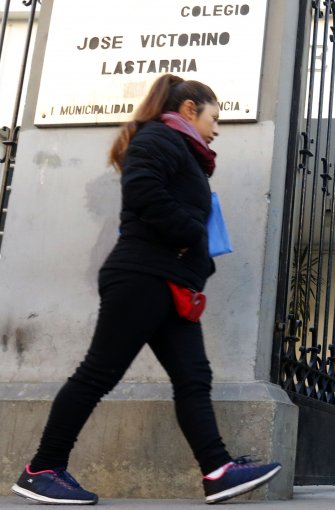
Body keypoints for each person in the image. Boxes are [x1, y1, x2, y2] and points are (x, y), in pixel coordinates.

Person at [10, 74, 281, 506]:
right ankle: (42, 468)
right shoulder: (158, 138)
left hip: (169, 280)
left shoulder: (183, 149)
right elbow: (142, 192)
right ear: (190, 108)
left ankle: (218, 471)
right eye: (215, 116)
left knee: (193, 377)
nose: (218, 127)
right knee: (99, 373)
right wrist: (194, 234)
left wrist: (195, 257)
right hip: (142, 276)